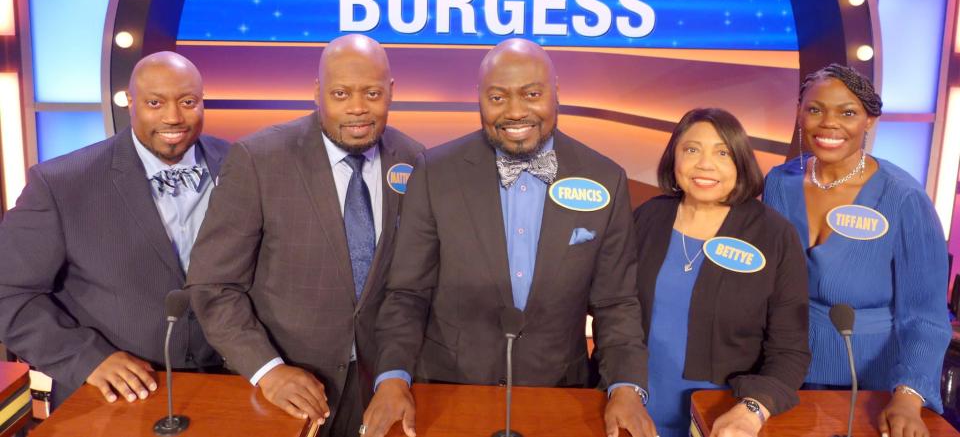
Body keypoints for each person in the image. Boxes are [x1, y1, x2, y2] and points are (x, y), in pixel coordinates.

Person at [362, 38, 655, 437]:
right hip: (449, 390)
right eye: (498, 97)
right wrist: (393, 378)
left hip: (558, 394)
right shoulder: (435, 172)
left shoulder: (606, 178)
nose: (515, 111)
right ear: (478, 99)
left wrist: (626, 387)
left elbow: (616, 303)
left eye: (531, 94)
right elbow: (407, 294)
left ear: (556, 94)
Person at [186, 34, 423, 437]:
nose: (358, 107)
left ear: (391, 92)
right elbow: (214, 285)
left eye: (372, 92)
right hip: (284, 390)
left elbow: (411, 288)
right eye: (341, 93)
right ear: (317, 92)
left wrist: (394, 373)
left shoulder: (414, 158)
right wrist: (269, 371)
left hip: (379, 388)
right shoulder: (259, 159)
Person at [0, 51, 228, 408]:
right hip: (111, 393)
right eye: (155, 102)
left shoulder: (241, 167)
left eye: (187, 102)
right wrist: (87, 358)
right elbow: (9, 292)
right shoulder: (61, 183)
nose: (173, 117)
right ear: (129, 101)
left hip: (232, 386)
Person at [764, 63, 950, 437]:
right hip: (778, 372)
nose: (828, 123)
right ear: (799, 114)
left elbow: (925, 315)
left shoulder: (903, 197)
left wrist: (908, 396)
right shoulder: (778, 183)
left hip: (867, 386)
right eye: (815, 109)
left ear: (869, 120)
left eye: (847, 112)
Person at [634, 108, 809, 437]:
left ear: (740, 162)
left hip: (721, 420)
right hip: (632, 411)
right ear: (674, 157)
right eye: (691, 150)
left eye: (722, 152)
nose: (704, 164)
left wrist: (753, 410)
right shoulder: (648, 217)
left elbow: (790, 351)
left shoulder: (774, 235)